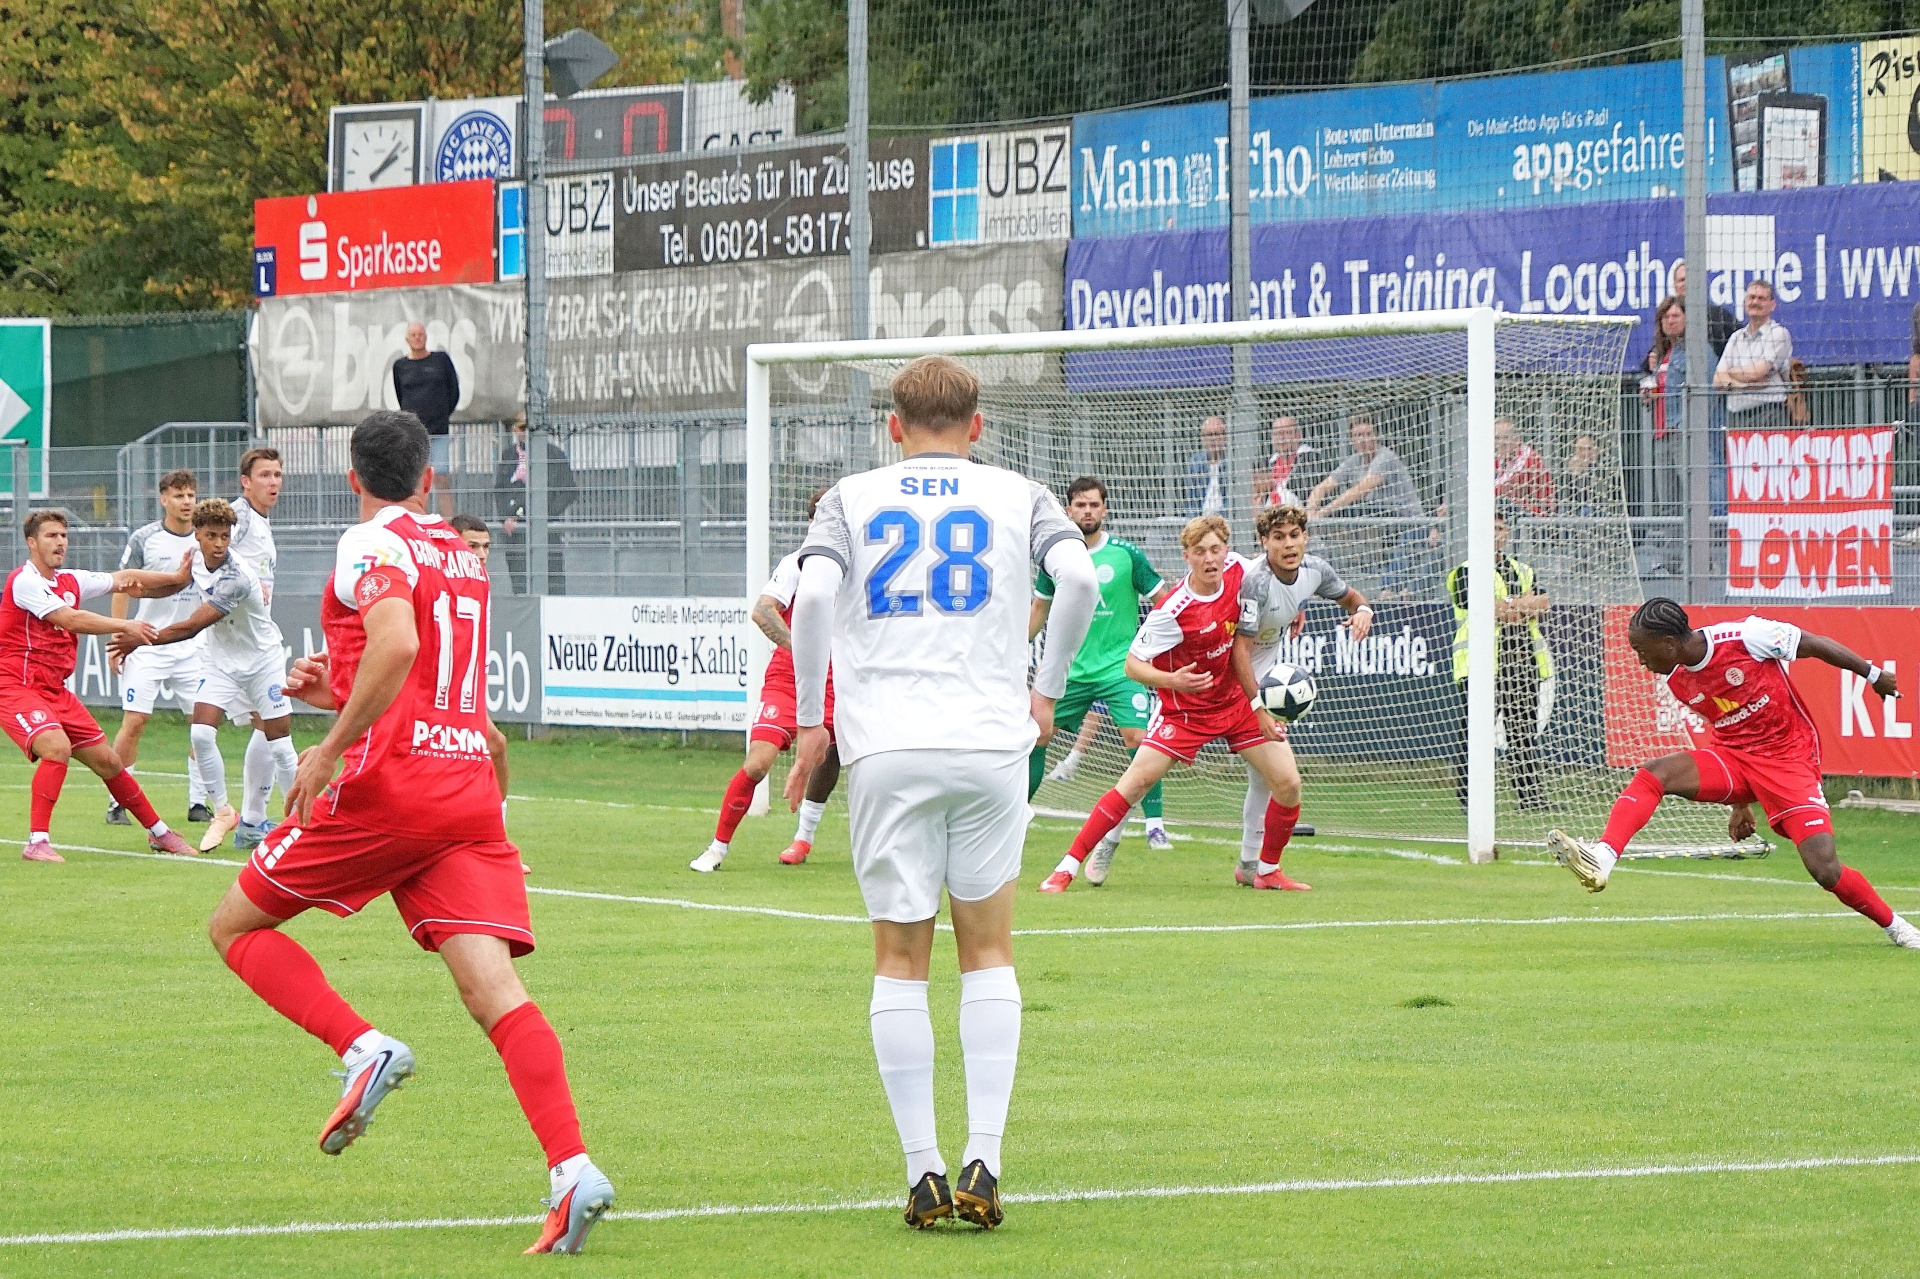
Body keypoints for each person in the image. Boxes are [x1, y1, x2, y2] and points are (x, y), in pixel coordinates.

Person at [210, 410, 614, 1254]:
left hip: (392, 788)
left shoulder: (371, 540)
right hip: (466, 791)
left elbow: (394, 646)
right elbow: (423, 673)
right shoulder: (460, 552)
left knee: (235, 927)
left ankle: (363, 1048)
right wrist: (337, 689)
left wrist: (329, 744)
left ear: (352, 479)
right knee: (495, 993)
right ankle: (572, 1167)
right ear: (429, 478)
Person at [781, 355, 1098, 1229]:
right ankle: (984, 1158)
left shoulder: (849, 497)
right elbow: (1079, 580)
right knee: (988, 949)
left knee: (899, 960)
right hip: (990, 743)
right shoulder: (1022, 493)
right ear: (977, 425)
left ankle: (922, 1169)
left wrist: (810, 720)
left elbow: (813, 596)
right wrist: (1047, 690)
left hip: (887, 745)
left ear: (894, 425)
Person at [1549, 599, 1920, 950]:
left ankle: (1897, 927)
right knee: (1656, 773)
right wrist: (1739, 803)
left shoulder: (1746, 636)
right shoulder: (1677, 679)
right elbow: (1725, 723)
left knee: (1824, 868)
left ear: (1670, 644)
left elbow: (1816, 644)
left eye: (1642, 650)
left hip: (1788, 760)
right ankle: (1603, 857)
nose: (1640, 660)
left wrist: (1872, 674)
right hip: (1734, 758)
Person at [1042, 514, 1303, 893]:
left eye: (1215, 549)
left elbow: (1273, 585)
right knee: (1136, 783)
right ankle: (1066, 868)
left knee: (1288, 782)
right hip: (1185, 712)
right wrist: (1173, 681)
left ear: (1226, 551)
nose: (1210, 559)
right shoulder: (1173, 610)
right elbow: (1133, 665)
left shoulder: (1239, 569)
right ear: (1187, 556)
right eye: (1200, 552)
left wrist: (1291, 607)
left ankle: (1266, 870)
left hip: (1236, 702)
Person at [2, 508, 197, 861]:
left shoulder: (71, 580)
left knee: (109, 761)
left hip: (54, 690)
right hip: (16, 685)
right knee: (56, 748)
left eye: (63, 535)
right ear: (32, 542)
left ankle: (160, 833)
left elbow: (124, 578)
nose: (60, 542)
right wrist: (124, 625)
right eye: (51, 536)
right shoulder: (24, 581)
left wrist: (177, 578)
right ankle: (37, 842)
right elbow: (70, 618)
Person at [110, 499, 298, 853]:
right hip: (220, 660)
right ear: (197, 534)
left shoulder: (236, 577)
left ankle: (301, 823)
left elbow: (192, 626)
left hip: (262, 661)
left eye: (225, 536)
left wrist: (141, 637)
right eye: (211, 535)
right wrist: (142, 590)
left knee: (281, 745)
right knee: (200, 733)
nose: (219, 543)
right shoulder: (195, 556)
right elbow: (179, 582)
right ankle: (224, 811)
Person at [1027, 476, 1174, 882]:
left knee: (1139, 738)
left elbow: (1164, 602)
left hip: (1119, 668)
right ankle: (1018, 813)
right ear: (1068, 511)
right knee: (1035, 734)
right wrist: (1013, 646)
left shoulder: (1127, 554)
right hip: (1071, 670)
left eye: (1094, 504)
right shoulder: (1056, 559)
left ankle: (1155, 825)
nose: (1087, 511)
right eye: (1080, 505)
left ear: (1104, 509)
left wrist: (1159, 644)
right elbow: (1038, 611)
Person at [693, 489, 844, 873]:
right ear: (812, 522)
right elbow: (763, 611)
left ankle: (803, 838)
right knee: (758, 763)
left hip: (839, 680)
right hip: (787, 679)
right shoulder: (797, 563)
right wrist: (804, 650)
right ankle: (717, 848)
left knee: (834, 754)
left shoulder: (857, 567)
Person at [1235, 503, 1372, 886]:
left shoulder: (1316, 570)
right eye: (1278, 537)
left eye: (1294, 535)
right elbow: (1239, 651)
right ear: (1264, 542)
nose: (1288, 544)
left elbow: (1351, 597)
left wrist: (1364, 610)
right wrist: (1258, 706)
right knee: (1147, 767)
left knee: (1271, 781)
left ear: (1306, 537)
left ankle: (1255, 867)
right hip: (1230, 684)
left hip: (1255, 684)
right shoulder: (1256, 583)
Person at [107, 468, 212, 826]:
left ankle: (198, 803)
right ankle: (118, 801)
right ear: (164, 499)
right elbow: (122, 586)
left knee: (202, 725)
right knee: (135, 721)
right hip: (147, 643)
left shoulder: (206, 538)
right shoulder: (145, 538)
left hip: (193, 647)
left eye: (191, 495)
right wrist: (119, 636)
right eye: (179, 495)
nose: (187, 502)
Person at [1447, 511, 1551, 812]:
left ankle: (1530, 798)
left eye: (1501, 528)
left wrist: (1510, 606)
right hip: (1482, 665)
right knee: (1475, 733)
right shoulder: (1466, 571)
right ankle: (1469, 799)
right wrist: (1519, 605)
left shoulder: (1522, 570)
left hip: (1522, 661)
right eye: (1491, 528)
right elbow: (1489, 610)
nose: (1496, 533)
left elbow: (1542, 604)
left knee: (1523, 733)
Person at [226, 448, 288, 846]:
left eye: (277, 475)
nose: (273, 482)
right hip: (238, 643)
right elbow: (209, 551)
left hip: (254, 639)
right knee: (272, 723)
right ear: (246, 482)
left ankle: (252, 820)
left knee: (269, 724)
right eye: (265, 475)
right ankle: (254, 820)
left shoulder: (260, 520)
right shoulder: (240, 516)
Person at [1306, 417, 1426, 596]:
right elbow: (1323, 487)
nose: (1362, 440)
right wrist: (1311, 511)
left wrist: (1323, 512)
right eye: (1357, 435)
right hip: (1383, 525)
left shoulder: (1385, 458)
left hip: (1410, 521)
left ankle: (1389, 591)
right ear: (1351, 439)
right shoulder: (1354, 461)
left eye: (1367, 434)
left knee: (1399, 569)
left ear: (1376, 436)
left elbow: (1361, 489)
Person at [494, 414, 578, 595]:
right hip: (516, 531)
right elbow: (499, 490)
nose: (527, 433)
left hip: (546, 529)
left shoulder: (554, 454)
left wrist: (546, 514)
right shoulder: (509, 455)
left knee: (552, 579)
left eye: (531, 428)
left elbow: (569, 490)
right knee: (520, 581)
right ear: (515, 430)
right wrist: (505, 517)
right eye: (522, 428)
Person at [392, 322, 460, 518]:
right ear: (407, 339)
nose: (417, 338)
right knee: (419, 481)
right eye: (413, 335)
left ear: (426, 337)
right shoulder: (400, 366)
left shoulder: (441, 360)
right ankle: (420, 521)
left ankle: (450, 524)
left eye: (420, 334)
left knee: (441, 477)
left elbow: (454, 392)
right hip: (414, 434)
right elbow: (400, 395)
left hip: (438, 431)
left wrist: (441, 415)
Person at [1714, 279, 1792, 432]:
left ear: (1772, 305)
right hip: (1736, 418)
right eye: (1751, 297)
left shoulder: (1779, 334)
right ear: (1745, 302)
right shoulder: (1736, 337)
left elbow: (1757, 372)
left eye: (1761, 298)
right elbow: (1717, 378)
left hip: (1769, 415)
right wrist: (1744, 385)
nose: (1755, 302)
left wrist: (1730, 373)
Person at [1255, 415, 1325, 512]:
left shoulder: (1311, 458)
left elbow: (1302, 493)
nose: (1281, 438)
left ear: (1299, 435)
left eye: (1287, 433)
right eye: (1276, 434)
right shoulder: (1268, 463)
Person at [1491, 417, 1554, 516]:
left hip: (1535, 513)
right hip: (1512, 510)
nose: (1501, 443)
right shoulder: (1498, 459)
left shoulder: (1529, 457)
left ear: (1517, 439)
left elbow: (1505, 487)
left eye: (1506, 438)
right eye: (1497, 438)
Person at [1185, 415, 1229, 517]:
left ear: (1225, 436)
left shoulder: (1232, 462)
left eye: (1217, 434)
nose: (1213, 439)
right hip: (1201, 519)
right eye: (1208, 435)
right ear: (1202, 438)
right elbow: (1192, 501)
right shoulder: (1195, 463)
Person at [1559, 434, 1602, 519]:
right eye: (1581, 449)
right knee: (1562, 512)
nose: (1585, 453)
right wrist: (1575, 475)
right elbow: (1567, 495)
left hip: (1595, 507)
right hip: (1573, 506)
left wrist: (1588, 469)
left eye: (1589, 449)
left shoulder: (1604, 466)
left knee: (1586, 512)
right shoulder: (1569, 467)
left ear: (1596, 450)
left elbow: (1596, 494)